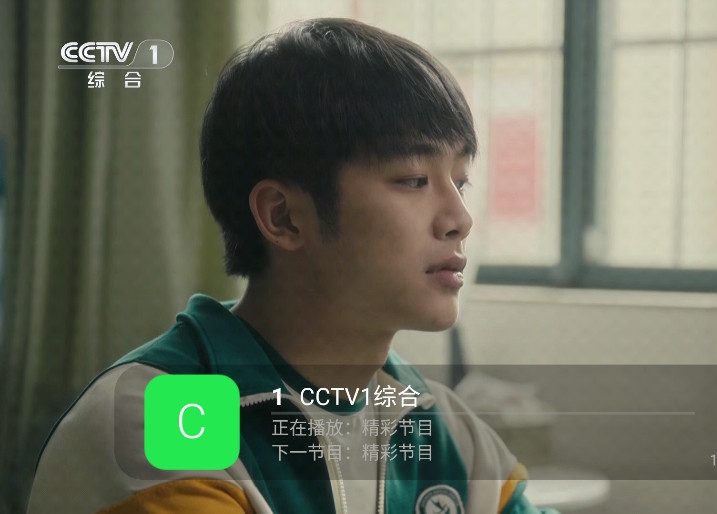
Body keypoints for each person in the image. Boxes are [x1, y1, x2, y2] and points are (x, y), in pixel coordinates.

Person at [28, 18, 558, 513]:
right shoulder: (161, 415)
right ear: (283, 216)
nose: (460, 219)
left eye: (460, 181)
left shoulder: (449, 434)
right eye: (414, 180)